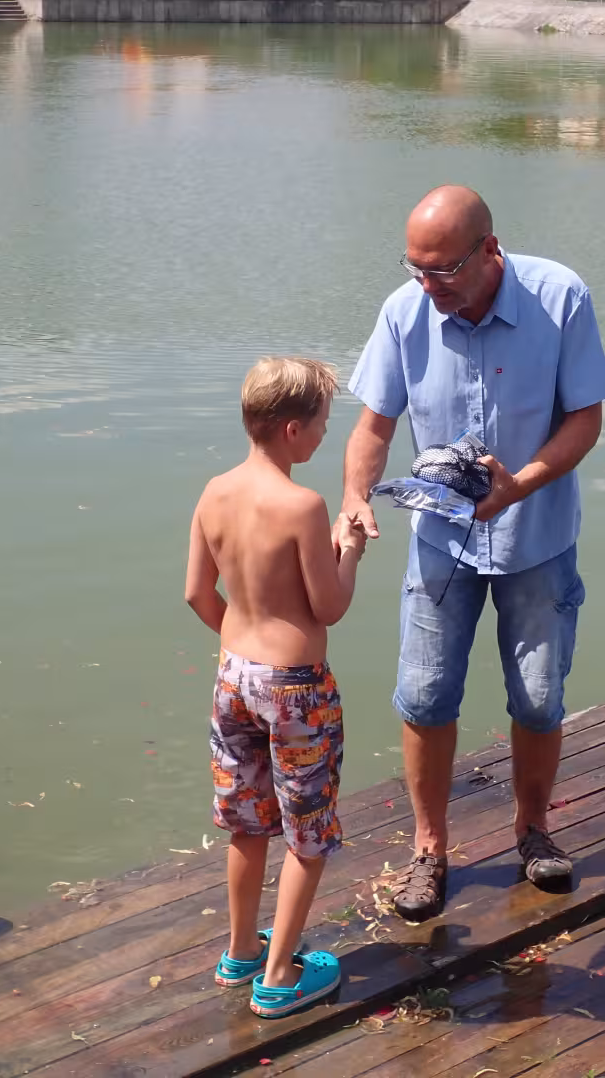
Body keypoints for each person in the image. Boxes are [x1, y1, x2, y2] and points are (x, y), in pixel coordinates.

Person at [335, 186, 605, 923]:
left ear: (490, 250)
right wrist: (355, 494)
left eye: (444, 270)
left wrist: (519, 485)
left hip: (537, 535)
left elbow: (586, 420)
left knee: (538, 697)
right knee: (425, 696)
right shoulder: (405, 311)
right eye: (415, 268)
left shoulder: (560, 298)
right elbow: (374, 425)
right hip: (440, 542)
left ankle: (534, 831)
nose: (428, 285)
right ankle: (430, 849)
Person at [185, 356, 369, 1018]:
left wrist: (246, 655)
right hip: (296, 691)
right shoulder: (303, 506)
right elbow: (329, 606)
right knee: (307, 835)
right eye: (322, 423)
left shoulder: (214, 491)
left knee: (247, 823)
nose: (324, 434)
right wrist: (350, 548)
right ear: (293, 430)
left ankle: (240, 952)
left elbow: (196, 593)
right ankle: (279, 976)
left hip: (233, 677)